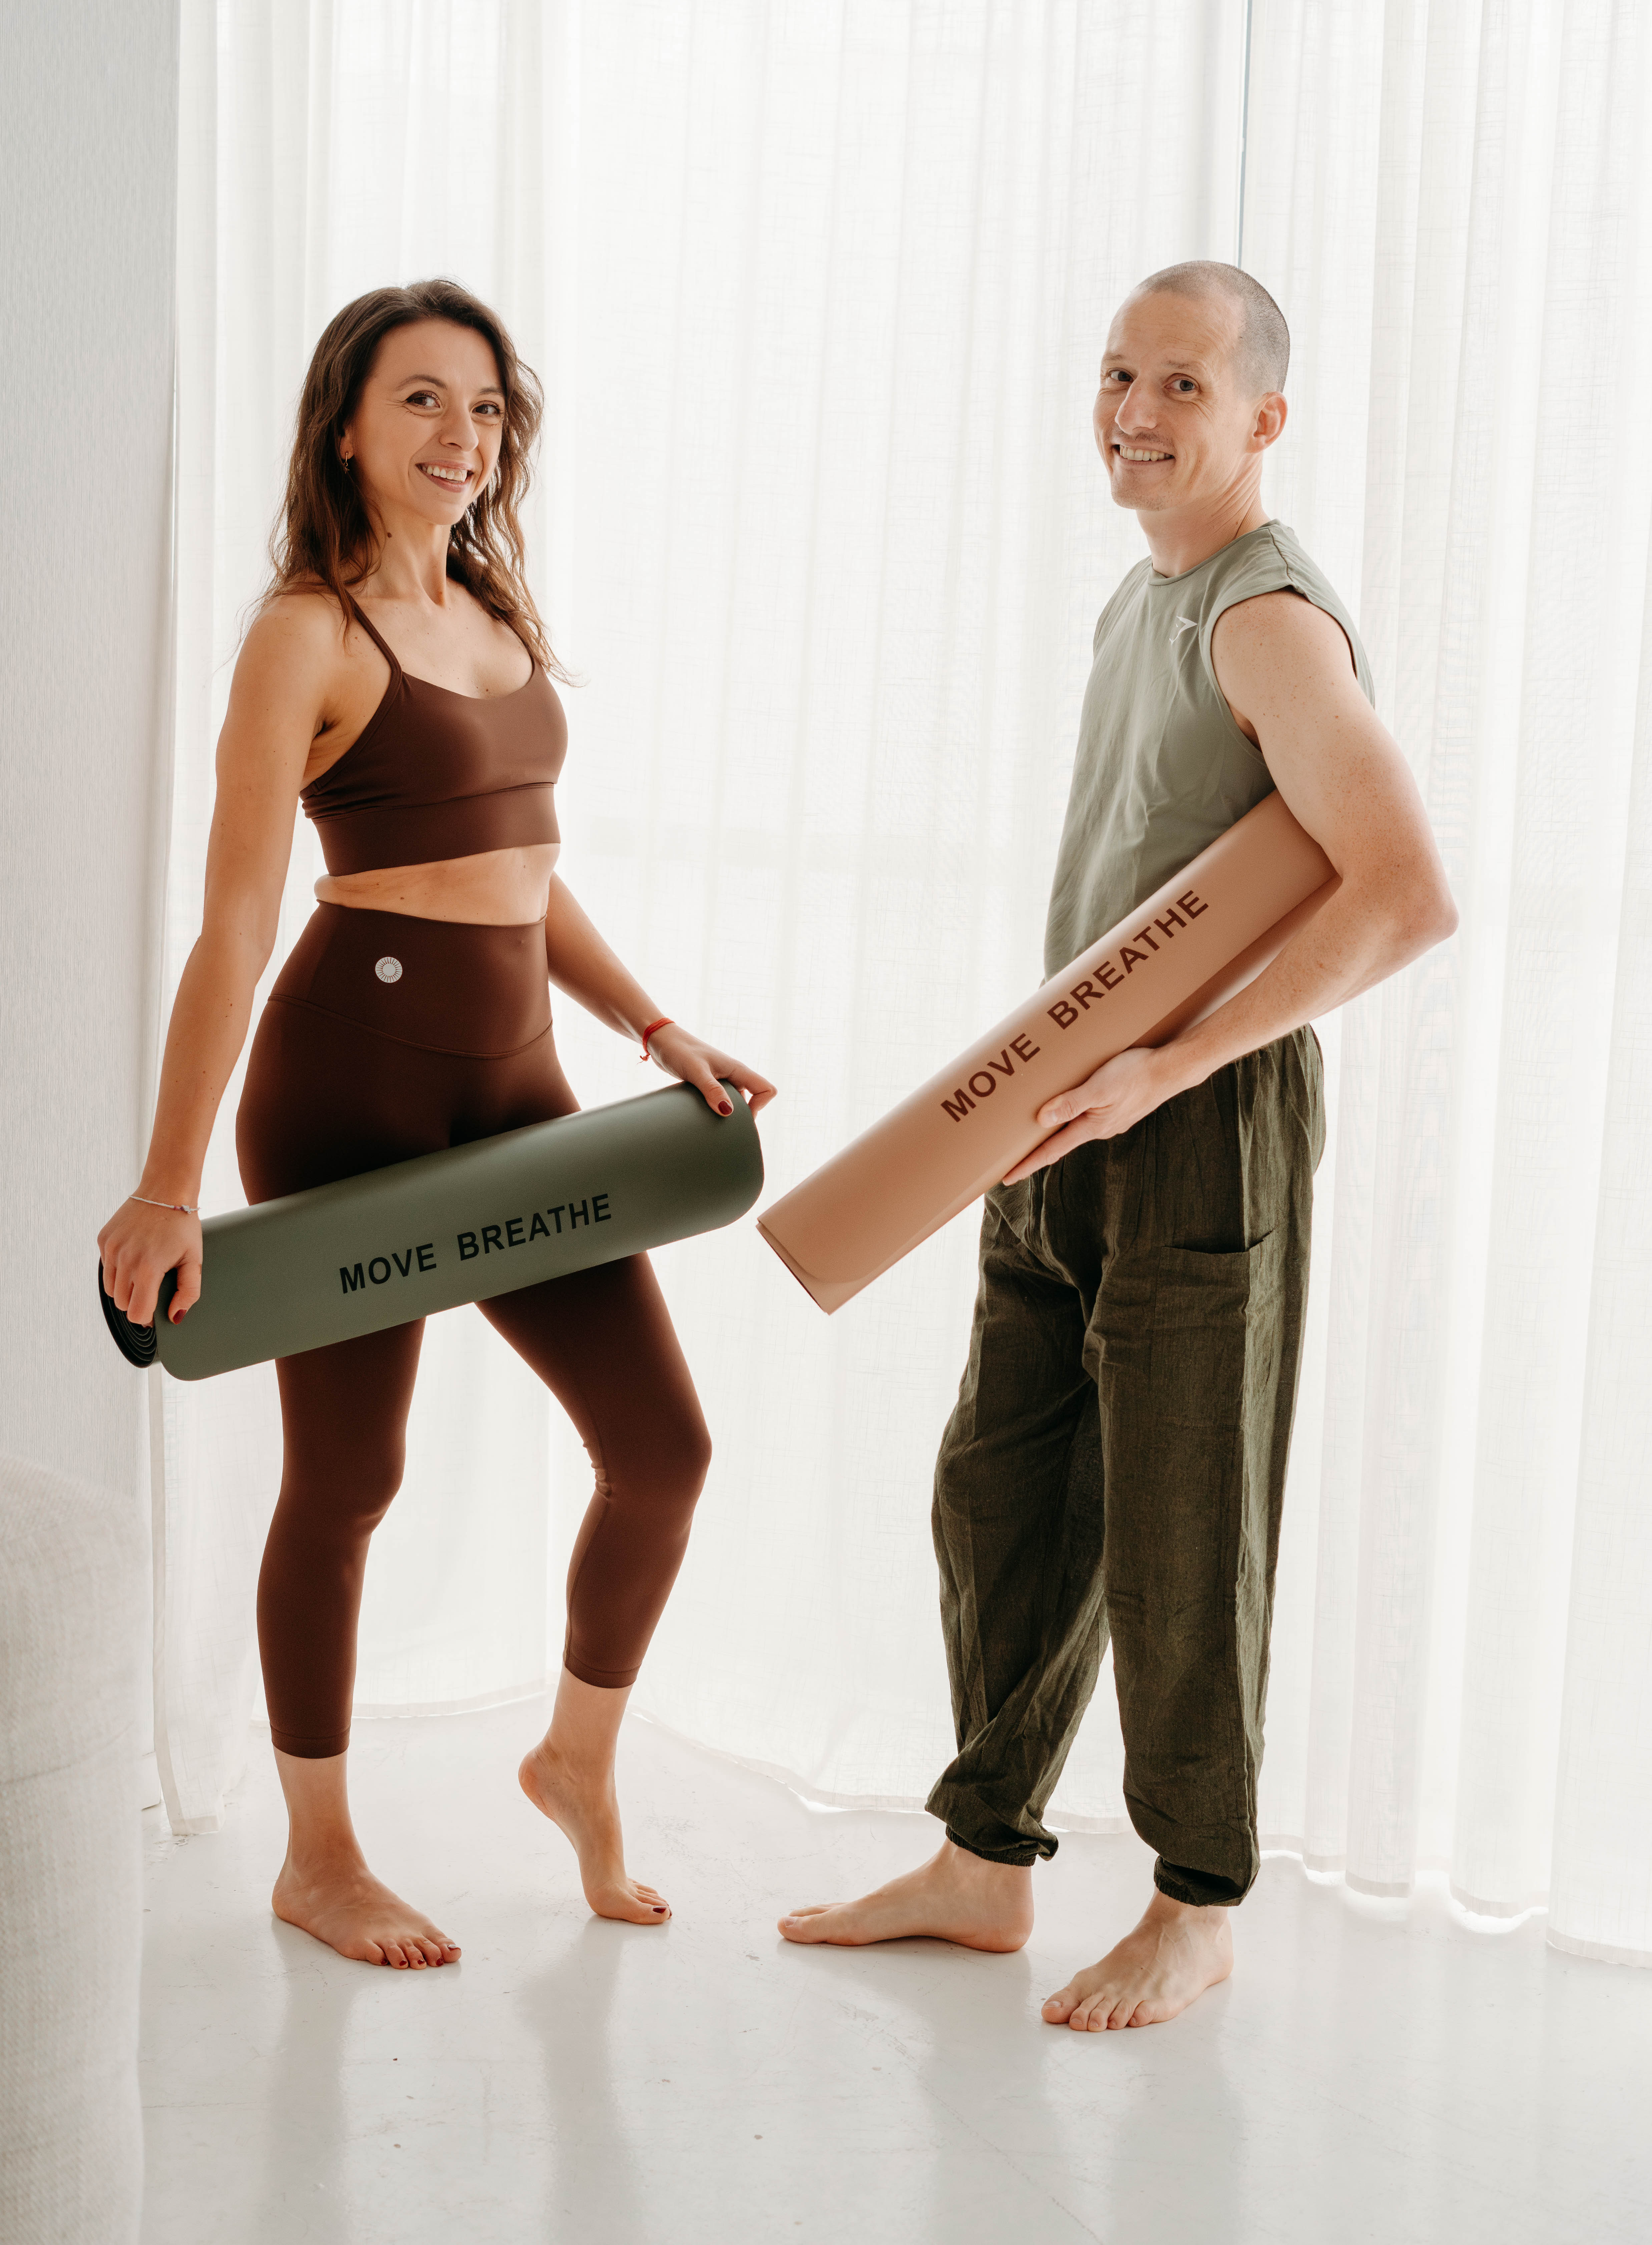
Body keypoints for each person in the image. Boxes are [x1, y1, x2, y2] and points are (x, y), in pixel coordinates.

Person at [777, 261, 1457, 2030]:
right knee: (999, 1481)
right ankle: (983, 1858)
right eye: (1114, 375)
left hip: (1191, 1118)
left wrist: (1171, 1066)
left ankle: (1195, 1902)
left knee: (1177, 1526)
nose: (1133, 414)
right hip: (1061, 1105)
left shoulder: (1262, 615)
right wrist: (1081, 1073)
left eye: (1177, 384)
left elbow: (1404, 894)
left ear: (1261, 421)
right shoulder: (1140, 598)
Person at [98, 279, 773, 1970]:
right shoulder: (306, 635)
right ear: (345, 423)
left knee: (662, 1451)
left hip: (521, 1084)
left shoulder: (494, 610)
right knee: (348, 1479)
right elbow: (239, 924)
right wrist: (167, 1186)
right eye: (417, 401)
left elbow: (525, 879)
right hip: (350, 1087)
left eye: (480, 407)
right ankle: (317, 1855)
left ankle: (571, 1759)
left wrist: (656, 1023)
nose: (456, 435)